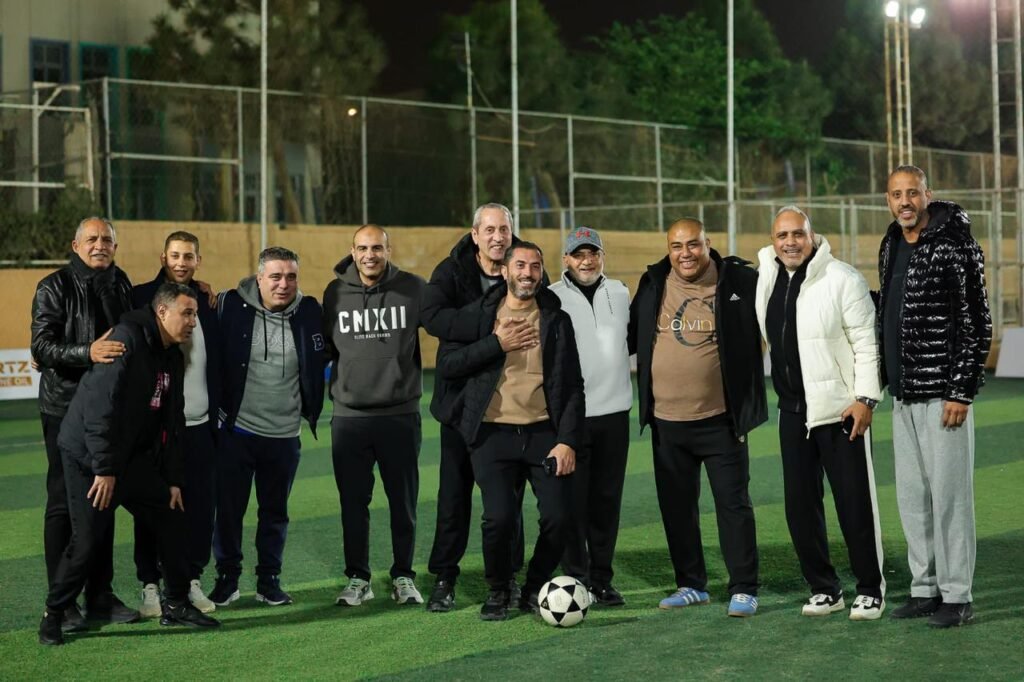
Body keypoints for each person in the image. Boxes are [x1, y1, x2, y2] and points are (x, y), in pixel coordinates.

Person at [38, 282, 220, 645]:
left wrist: (172, 479)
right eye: (187, 313)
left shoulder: (172, 354)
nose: (192, 322)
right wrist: (104, 469)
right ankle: (54, 614)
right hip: (89, 457)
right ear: (162, 312)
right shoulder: (126, 340)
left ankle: (176, 604)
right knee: (87, 540)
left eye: (195, 314)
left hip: (129, 457)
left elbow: (172, 420)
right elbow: (100, 410)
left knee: (171, 514)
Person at [437, 241, 585, 621]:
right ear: (503, 271)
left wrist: (567, 441)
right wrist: (496, 344)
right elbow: (448, 365)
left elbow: (572, 386)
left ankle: (535, 585)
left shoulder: (557, 320)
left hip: (543, 435)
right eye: (520, 265)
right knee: (499, 518)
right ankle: (499, 588)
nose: (527, 273)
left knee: (560, 517)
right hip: (492, 433)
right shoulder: (477, 315)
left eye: (535, 266)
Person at [628, 218, 766, 617]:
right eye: (676, 246)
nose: (685, 253)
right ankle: (691, 585)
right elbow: (631, 334)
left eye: (693, 244)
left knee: (733, 505)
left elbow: (772, 321)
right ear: (668, 249)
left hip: (721, 420)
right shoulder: (653, 282)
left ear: (708, 244)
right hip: (667, 422)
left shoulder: (739, 280)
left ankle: (744, 587)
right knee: (677, 508)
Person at [754, 207, 886, 620]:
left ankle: (871, 589)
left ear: (812, 236)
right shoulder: (767, 276)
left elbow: (867, 343)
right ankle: (825, 588)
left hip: (841, 412)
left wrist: (865, 399)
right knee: (800, 507)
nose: (790, 242)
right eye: (782, 235)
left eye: (798, 234)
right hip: (792, 412)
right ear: (773, 240)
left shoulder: (843, 278)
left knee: (854, 504)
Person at [879, 166, 992, 628]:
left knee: (950, 499)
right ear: (888, 200)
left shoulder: (956, 244)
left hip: (943, 397)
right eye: (896, 194)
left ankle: (957, 595)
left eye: (912, 192)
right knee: (913, 498)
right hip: (903, 395)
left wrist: (960, 390)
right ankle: (924, 589)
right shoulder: (890, 242)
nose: (904, 201)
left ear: (928, 194)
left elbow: (976, 321)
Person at [419, 202, 531, 612]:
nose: (498, 237)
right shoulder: (451, 271)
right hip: (459, 406)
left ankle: (508, 577)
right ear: (475, 234)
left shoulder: (525, 266)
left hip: (508, 407)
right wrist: (491, 328)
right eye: (490, 230)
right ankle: (445, 577)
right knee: (453, 498)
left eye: (504, 229)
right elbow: (432, 317)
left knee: (507, 502)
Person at [30, 216, 138, 630]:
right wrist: (87, 352)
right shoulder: (53, 286)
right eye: (91, 239)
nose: (99, 245)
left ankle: (100, 596)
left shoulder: (121, 282)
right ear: (75, 245)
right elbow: (41, 346)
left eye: (106, 239)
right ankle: (62, 602)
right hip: (64, 410)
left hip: (108, 411)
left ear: (115, 246)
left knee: (103, 497)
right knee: (62, 503)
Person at [210, 247, 326, 607]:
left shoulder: (311, 311)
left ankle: (269, 580)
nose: (283, 284)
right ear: (259, 278)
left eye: (291, 276)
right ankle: (227, 578)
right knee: (228, 512)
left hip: (284, 435)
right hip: (237, 432)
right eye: (275, 276)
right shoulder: (229, 305)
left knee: (275, 513)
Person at [323, 225, 426, 607]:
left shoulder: (413, 288)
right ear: (353, 251)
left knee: (403, 503)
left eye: (377, 248)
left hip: (400, 414)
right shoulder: (334, 293)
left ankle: (404, 576)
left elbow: (447, 319)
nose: (370, 255)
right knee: (353, 503)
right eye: (363, 248)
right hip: (349, 417)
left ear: (388, 250)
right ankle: (358, 578)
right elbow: (326, 347)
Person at [131, 231, 222, 616]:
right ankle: (150, 584)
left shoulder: (207, 302)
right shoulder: (140, 297)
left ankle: (191, 579)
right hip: (157, 429)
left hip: (200, 426)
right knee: (153, 507)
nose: (181, 262)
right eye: (175, 255)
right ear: (163, 257)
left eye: (188, 256)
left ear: (198, 261)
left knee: (200, 507)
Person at [549, 227, 632, 606]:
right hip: (572, 418)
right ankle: (576, 579)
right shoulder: (551, 296)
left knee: (606, 502)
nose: (587, 261)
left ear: (602, 256)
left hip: (615, 415)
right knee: (572, 504)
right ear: (566, 259)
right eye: (578, 254)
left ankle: (601, 579)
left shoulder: (620, 292)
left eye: (593, 253)